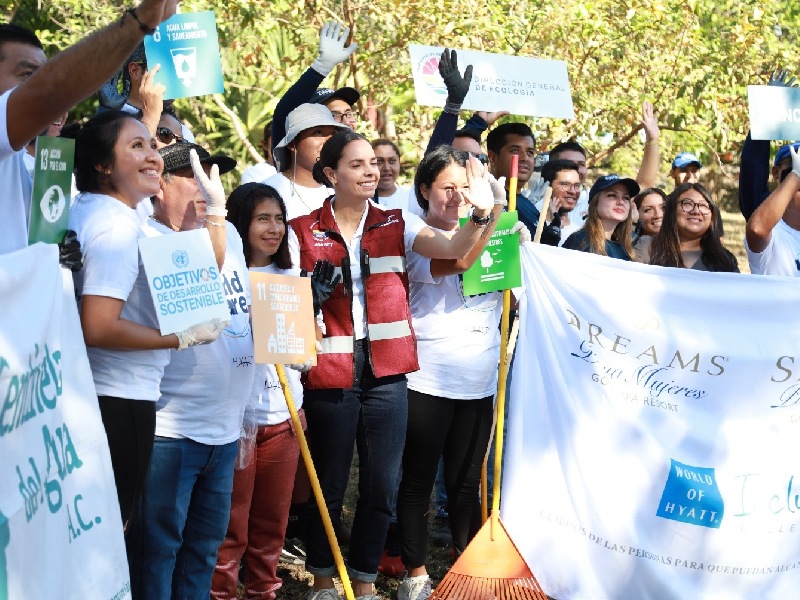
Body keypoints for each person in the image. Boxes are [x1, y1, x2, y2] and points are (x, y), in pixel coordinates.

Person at [288, 130, 502, 600]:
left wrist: (485, 212)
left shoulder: (398, 222)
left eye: (374, 164)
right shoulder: (301, 228)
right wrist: (308, 301)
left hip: (387, 372)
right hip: (330, 370)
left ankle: (363, 581)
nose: (372, 171)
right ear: (331, 174)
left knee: (382, 486)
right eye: (358, 164)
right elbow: (282, 306)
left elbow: (453, 252)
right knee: (330, 482)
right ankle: (324, 579)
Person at [68, 111, 224, 530]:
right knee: (110, 532)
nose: (154, 155)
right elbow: (98, 326)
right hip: (118, 399)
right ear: (102, 165)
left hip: (104, 393)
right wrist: (179, 337)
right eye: (137, 146)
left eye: (153, 145)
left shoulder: (100, 209)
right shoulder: (115, 227)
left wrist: (215, 212)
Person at [125, 142, 249, 599]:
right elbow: (201, 285)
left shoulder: (229, 233)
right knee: (158, 552)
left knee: (203, 551)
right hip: (170, 433)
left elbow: (241, 307)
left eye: (215, 178)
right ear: (160, 186)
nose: (209, 189)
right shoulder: (144, 237)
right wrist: (217, 218)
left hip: (224, 430)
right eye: (196, 178)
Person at [395, 146, 517, 600]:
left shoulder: (501, 232)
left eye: (466, 189)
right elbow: (460, 258)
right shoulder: (416, 234)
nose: (457, 197)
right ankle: (416, 573)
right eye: (447, 188)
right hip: (428, 380)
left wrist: (511, 240)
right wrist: (492, 214)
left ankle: (467, 562)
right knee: (419, 480)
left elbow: (516, 298)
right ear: (424, 189)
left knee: (466, 481)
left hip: (479, 381)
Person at [0, 1, 178, 255]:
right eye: (28, 76)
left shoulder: (37, 166)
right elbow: (50, 89)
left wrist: (55, 250)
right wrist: (142, 21)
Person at [271, 20, 359, 154]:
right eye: (334, 115)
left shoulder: (361, 161)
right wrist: (322, 66)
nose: (346, 121)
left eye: (349, 113)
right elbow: (284, 114)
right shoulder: (296, 157)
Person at [265, 103, 349, 220]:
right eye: (318, 132)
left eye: (333, 134)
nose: (328, 141)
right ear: (292, 144)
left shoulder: (344, 190)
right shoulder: (269, 192)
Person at [486, 122, 560, 246]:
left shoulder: (530, 206)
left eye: (530, 152)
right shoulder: (485, 201)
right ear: (492, 157)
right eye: (515, 150)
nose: (524, 158)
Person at [649, 182, 738, 272]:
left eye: (703, 205)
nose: (696, 211)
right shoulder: (648, 249)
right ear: (671, 210)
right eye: (687, 204)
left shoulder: (725, 260)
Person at [745, 145, 800, 276]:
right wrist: (795, 175)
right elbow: (756, 229)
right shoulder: (773, 231)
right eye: (795, 162)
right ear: (776, 172)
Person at [562, 174, 639, 261]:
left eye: (626, 198)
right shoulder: (580, 241)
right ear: (595, 202)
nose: (621, 202)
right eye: (612, 195)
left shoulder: (627, 250)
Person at [538, 158, 583, 244]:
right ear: (547, 186)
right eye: (565, 185)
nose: (573, 191)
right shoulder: (531, 225)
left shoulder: (580, 235)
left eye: (576, 185)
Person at [371, 138, 409, 211]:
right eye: (379, 162)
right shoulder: (361, 203)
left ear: (399, 163)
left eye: (392, 161)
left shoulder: (412, 199)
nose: (386, 168)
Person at [632, 187, 667, 262]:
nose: (658, 215)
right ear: (637, 215)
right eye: (648, 210)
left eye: (663, 207)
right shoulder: (633, 246)